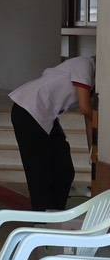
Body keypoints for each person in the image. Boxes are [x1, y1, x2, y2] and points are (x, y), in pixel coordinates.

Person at [8, 56, 94, 211]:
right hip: (28, 108)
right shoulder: (85, 64)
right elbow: (85, 108)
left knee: (64, 169)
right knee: (39, 169)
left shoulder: (94, 82)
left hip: (46, 116)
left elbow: (89, 120)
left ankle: (55, 212)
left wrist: (92, 152)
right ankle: (42, 216)